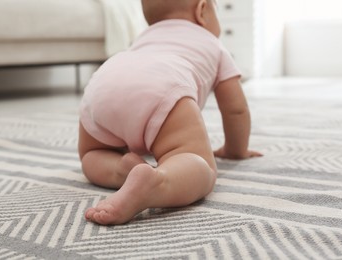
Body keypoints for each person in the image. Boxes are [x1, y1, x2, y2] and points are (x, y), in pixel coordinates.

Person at [78, 0, 262, 225]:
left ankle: (120, 169)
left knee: (92, 154)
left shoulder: (142, 39)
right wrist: (235, 150)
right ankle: (158, 183)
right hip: (164, 86)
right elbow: (236, 110)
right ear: (202, 10)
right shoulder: (214, 45)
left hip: (104, 82)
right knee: (200, 167)